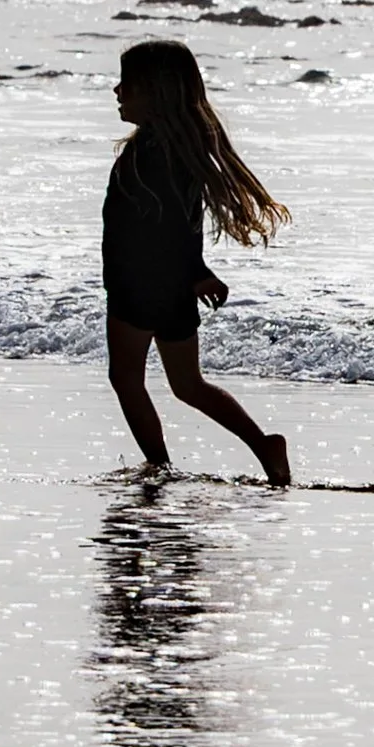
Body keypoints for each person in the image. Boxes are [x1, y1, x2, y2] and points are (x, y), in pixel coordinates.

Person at [103, 39, 293, 486]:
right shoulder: (169, 151)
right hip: (169, 284)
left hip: (139, 283)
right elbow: (182, 222)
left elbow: (168, 225)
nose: (116, 91)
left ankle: (159, 466)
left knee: (126, 378)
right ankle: (264, 445)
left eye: (126, 84)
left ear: (155, 92)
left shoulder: (152, 155)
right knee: (188, 385)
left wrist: (193, 270)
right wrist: (194, 270)